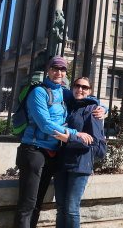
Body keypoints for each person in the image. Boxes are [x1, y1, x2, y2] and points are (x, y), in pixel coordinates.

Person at [13, 56, 104, 228]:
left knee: (37, 204)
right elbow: (45, 124)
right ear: (48, 70)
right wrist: (76, 133)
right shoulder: (38, 92)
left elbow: (84, 97)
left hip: (51, 154)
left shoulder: (63, 92)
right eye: (55, 68)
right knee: (27, 204)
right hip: (33, 151)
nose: (59, 72)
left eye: (62, 70)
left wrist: (102, 107)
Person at [52, 77, 106, 228]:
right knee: (61, 208)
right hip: (61, 162)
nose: (80, 89)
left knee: (71, 209)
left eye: (84, 87)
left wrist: (69, 138)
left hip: (80, 164)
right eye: (77, 86)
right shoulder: (67, 105)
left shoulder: (92, 110)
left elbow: (94, 141)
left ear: (89, 91)